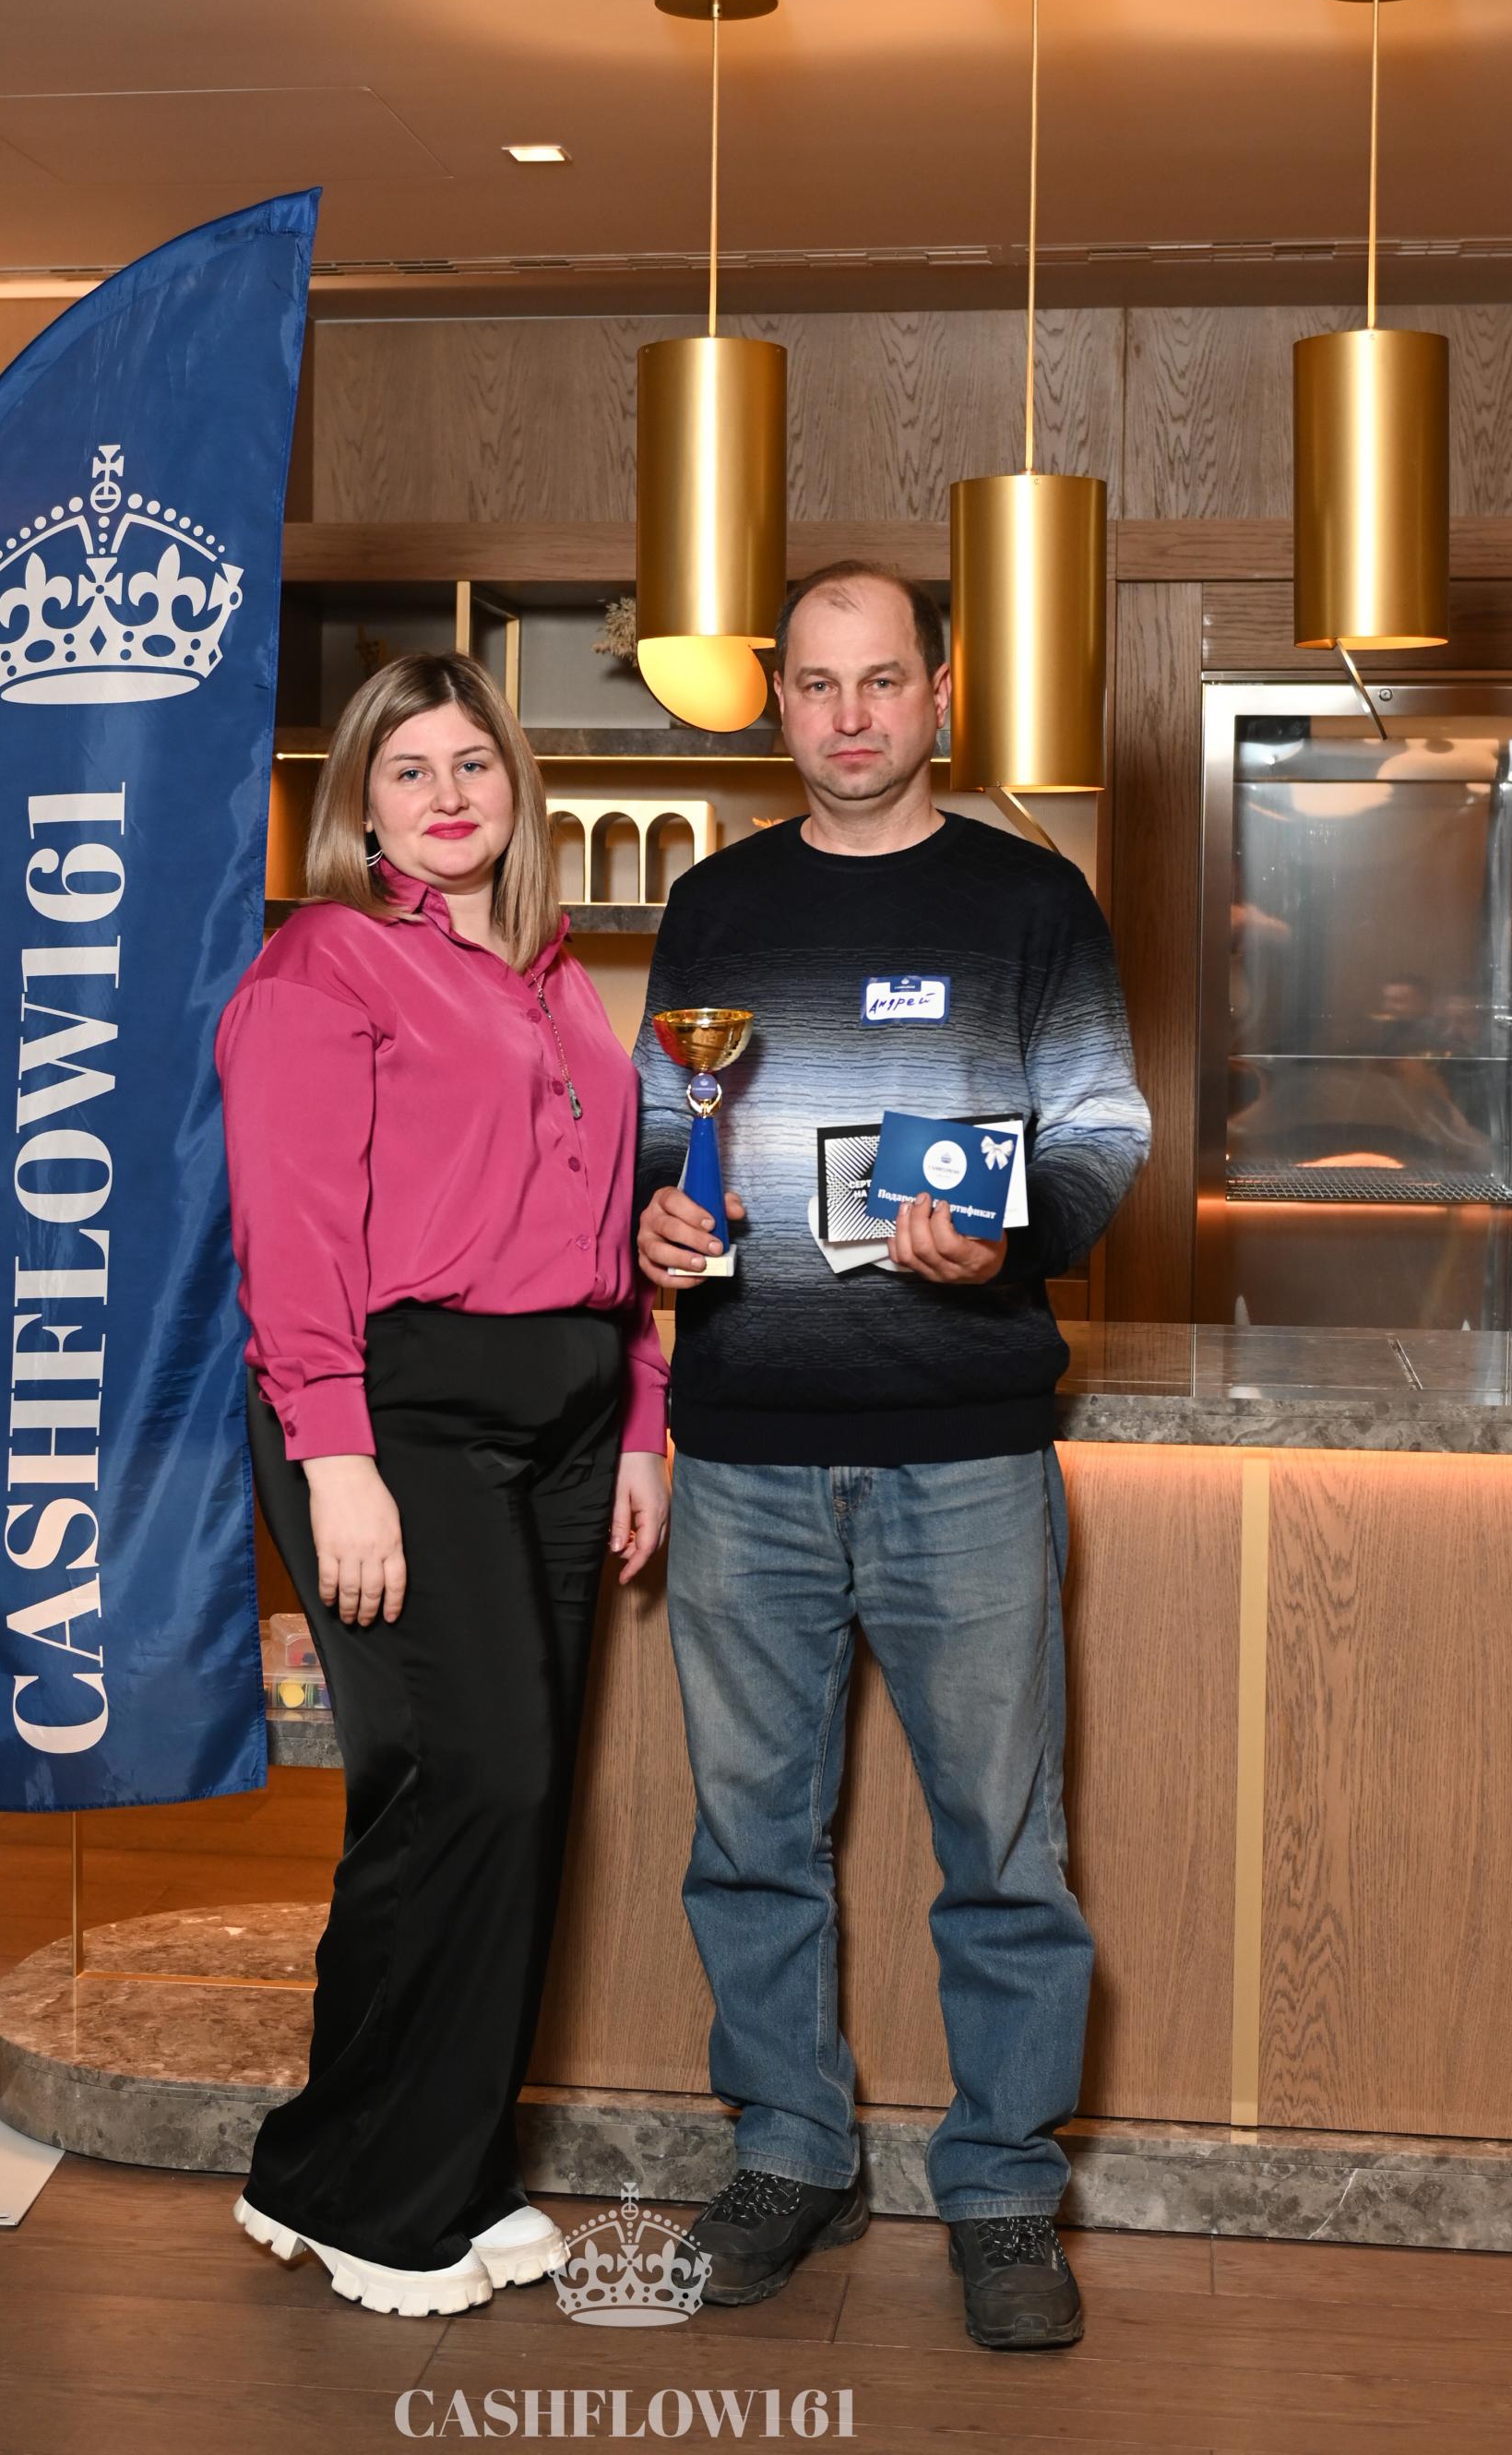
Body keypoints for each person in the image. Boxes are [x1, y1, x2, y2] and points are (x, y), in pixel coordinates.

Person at [634, 562, 1150, 2349]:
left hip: (965, 1454)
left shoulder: (1032, 901)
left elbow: (1102, 1132)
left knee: (1003, 1848)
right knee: (748, 1843)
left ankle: (1002, 2189)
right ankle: (791, 2149)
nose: (848, 718)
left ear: (941, 691)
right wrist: (656, 1227)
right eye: (816, 685)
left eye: (881, 682)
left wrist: (1014, 1238)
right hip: (745, 1453)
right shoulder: (712, 907)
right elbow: (665, 1135)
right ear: (778, 699)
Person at [217, 650, 670, 2318]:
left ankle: (387, 2160)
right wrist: (335, 1457)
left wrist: (643, 1419)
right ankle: (379, 2199)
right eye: (408, 770)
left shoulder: (556, 982)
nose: (448, 795)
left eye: (473, 761)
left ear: (516, 786)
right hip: (400, 1418)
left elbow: (608, 1231)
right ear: (362, 806)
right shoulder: (323, 963)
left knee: (495, 1801)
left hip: (563, 1423)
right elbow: (291, 1232)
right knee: (471, 1780)